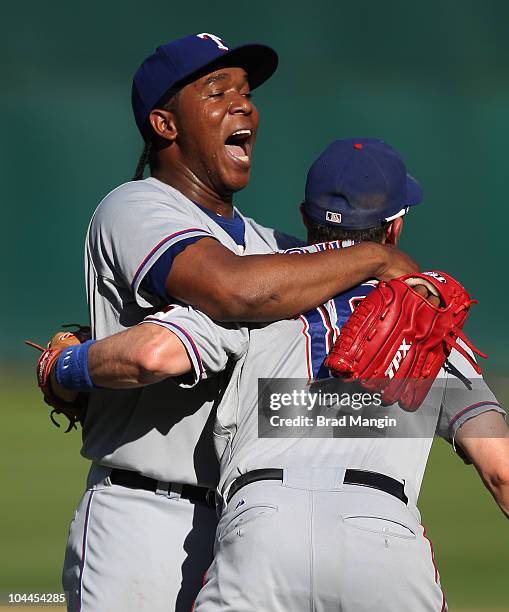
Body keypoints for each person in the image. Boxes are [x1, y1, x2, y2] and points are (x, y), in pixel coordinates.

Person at [55, 139, 508, 610]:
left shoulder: (253, 291)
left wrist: (64, 365)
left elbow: (153, 353)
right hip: (383, 540)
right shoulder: (430, 324)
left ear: (303, 217)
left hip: (261, 529)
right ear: (394, 229)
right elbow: (502, 472)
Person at [57, 33, 419, 612]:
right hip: (144, 515)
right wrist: (376, 256)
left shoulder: (269, 249)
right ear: (165, 124)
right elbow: (230, 291)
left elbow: (287, 374)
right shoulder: (135, 206)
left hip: (245, 523)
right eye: (217, 90)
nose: (243, 104)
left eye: (246, 92)